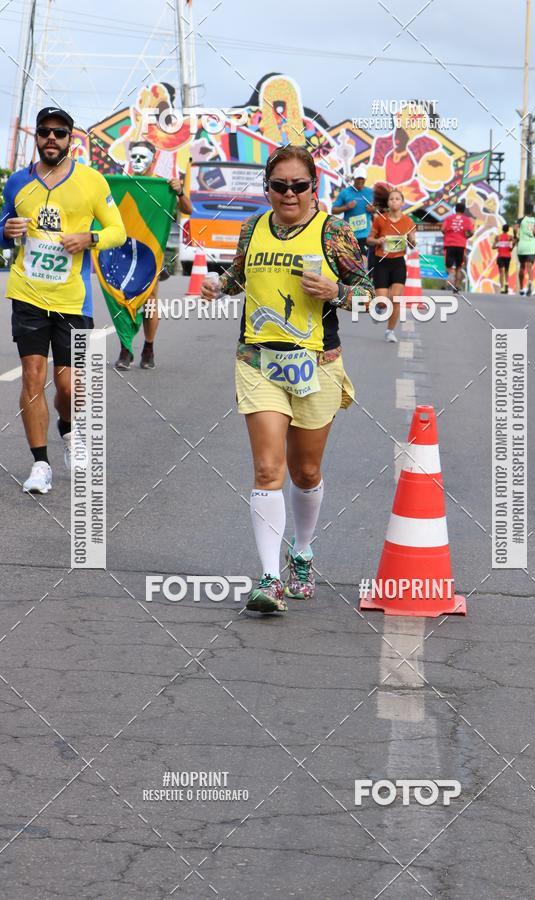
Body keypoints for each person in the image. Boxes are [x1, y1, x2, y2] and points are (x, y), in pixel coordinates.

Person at [200, 146, 374, 615]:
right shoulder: (253, 227)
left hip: (317, 363)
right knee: (266, 469)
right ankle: (269, 578)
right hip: (258, 360)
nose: (289, 194)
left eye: (299, 185)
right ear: (268, 189)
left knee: (306, 472)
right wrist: (219, 285)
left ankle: (302, 551)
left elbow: (368, 293)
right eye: (280, 186)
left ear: (314, 188)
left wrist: (337, 291)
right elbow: (238, 277)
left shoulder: (333, 231)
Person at [0, 107, 126, 494]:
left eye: (59, 132)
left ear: (72, 138)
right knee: (34, 378)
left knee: (71, 386)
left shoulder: (91, 182)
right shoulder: (18, 183)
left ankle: (69, 431)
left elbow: (117, 230)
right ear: (36, 138)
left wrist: (89, 239)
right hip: (27, 293)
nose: (51, 138)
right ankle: (40, 464)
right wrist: (6, 229)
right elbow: (1, 230)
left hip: (74, 301)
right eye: (44, 132)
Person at [114, 141, 192, 370]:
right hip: (123, 251)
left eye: (143, 157)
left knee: (148, 300)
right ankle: (125, 348)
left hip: (150, 252)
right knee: (122, 299)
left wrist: (179, 191)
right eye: (134, 157)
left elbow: (188, 209)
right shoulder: (122, 183)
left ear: (153, 158)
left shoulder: (163, 184)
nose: (137, 162)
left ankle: (148, 347)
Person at [367, 189, 416, 341]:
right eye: (391, 199)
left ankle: (390, 331)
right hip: (381, 261)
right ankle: (379, 307)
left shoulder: (408, 222)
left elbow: (413, 245)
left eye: (397, 199)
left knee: (395, 298)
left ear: (402, 203)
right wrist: (378, 241)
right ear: (388, 203)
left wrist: (411, 240)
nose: (394, 201)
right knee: (383, 301)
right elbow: (369, 240)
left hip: (398, 263)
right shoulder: (380, 219)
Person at [331, 164, 375, 258]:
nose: (360, 181)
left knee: (366, 262)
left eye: (362, 179)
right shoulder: (345, 193)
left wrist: (373, 209)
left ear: (365, 179)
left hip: (366, 235)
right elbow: (333, 210)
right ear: (354, 179)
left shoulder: (370, 192)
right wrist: (346, 207)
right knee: (352, 263)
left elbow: (378, 209)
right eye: (358, 178)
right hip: (350, 235)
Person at [442, 201, 474, 293]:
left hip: (449, 244)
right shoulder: (467, 220)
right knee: (459, 268)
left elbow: (443, 229)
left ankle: (451, 274)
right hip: (460, 245)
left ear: (455, 209)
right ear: (463, 211)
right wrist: (466, 237)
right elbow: (471, 232)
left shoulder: (449, 218)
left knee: (448, 265)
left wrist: (447, 235)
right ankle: (456, 287)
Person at [514, 201, 535, 296]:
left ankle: (522, 288)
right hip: (531, 246)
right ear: (532, 211)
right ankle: (530, 284)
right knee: (529, 267)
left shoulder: (521, 220)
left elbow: (515, 228)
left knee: (522, 267)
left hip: (522, 246)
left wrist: (516, 236)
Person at [493, 224, 514, 294]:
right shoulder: (510, 237)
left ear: (502, 229)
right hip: (508, 256)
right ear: (508, 230)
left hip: (500, 256)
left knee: (501, 272)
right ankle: (506, 285)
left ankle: (502, 288)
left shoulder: (498, 237)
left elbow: (493, 247)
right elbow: (511, 248)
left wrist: (499, 243)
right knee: (506, 271)